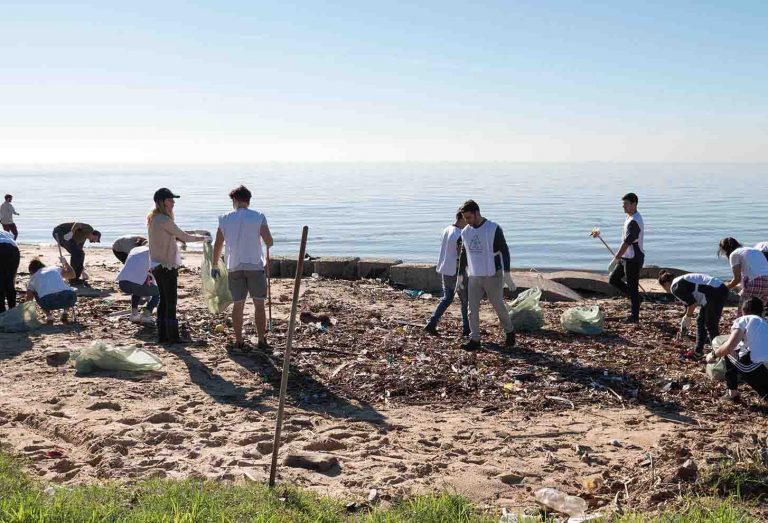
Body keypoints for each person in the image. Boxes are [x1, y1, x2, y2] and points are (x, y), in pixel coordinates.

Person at [212, 185, 274, 351]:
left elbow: (218, 245)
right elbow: (269, 241)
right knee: (259, 304)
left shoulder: (224, 218)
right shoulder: (258, 216)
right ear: (248, 201)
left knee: (238, 304)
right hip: (255, 265)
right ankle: (261, 339)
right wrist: (265, 242)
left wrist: (214, 265)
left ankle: (239, 339)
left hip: (234, 267)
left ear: (235, 200)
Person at [147, 188, 209, 344]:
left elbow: (177, 233)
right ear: (162, 202)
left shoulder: (156, 219)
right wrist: (204, 238)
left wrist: (196, 232)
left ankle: (162, 335)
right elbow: (184, 237)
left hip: (157, 264)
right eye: (170, 199)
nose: (173, 202)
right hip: (166, 266)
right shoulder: (163, 219)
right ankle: (173, 337)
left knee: (163, 300)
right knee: (171, 301)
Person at [458, 200, 515, 350]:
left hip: (492, 274)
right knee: (472, 308)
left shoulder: (493, 229)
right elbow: (464, 253)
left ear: (477, 213)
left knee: (498, 305)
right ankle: (475, 339)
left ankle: (509, 331)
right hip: (475, 275)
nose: (467, 221)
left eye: (469, 217)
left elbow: (504, 251)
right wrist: (460, 275)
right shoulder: (466, 231)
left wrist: (507, 274)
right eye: (464, 218)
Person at [707, 297, 768, 402]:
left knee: (728, 350)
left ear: (743, 311)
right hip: (765, 368)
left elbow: (729, 346)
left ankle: (732, 393)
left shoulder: (743, 319)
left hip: (756, 368)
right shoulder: (765, 323)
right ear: (761, 312)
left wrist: (713, 355)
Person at [658, 271, 729, 358]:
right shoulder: (680, 281)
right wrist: (683, 326)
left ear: (666, 283)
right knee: (700, 321)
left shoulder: (675, 287)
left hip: (715, 292)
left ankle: (719, 355)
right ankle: (698, 352)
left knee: (710, 325)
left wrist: (687, 317)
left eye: (664, 288)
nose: (666, 291)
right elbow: (688, 306)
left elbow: (692, 304)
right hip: (718, 289)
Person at [424, 210, 469, 337]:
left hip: (445, 268)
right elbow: (461, 254)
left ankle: (432, 323)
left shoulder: (447, 229)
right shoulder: (461, 234)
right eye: (467, 219)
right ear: (462, 218)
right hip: (456, 270)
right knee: (465, 300)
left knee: (447, 298)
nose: (469, 222)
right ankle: (467, 328)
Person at [603, 192, 644, 323]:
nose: (623, 206)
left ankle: (634, 316)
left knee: (632, 287)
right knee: (613, 279)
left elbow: (628, 242)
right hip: (626, 257)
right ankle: (637, 298)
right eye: (623, 204)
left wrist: (616, 258)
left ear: (634, 204)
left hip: (633, 258)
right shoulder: (629, 217)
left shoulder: (634, 221)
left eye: (626, 204)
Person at [718, 237, 768, 316]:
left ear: (725, 250)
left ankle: (743, 327)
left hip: (756, 282)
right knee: (759, 311)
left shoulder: (734, 254)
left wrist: (722, 289)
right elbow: (752, 274)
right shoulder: (753, 250)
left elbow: (737, 279)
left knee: (743, 312)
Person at [25, 257, 77, 324]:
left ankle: (49, 316)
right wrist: (65, 263)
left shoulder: (33, 278)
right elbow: (72, 275)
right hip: (69, 299)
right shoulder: (54, 268)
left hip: (48, 303)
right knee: (67, 289)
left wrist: (26, 312)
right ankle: (65, 312)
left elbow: (29, 299)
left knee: (35, 291)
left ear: (32, 271)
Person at [116, 244, 159, 324]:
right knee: (158, 293)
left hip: (123, 283)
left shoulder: (135, 250)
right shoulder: (154, 255)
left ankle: (134, 315)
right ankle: (146, 315)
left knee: (137, 289)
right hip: (136, 284)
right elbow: (155, 271)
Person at [0, 230, 20, 312]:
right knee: (10, 280)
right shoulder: (4, 232)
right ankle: (12, 308)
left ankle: (1, 310)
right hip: (13, 249)